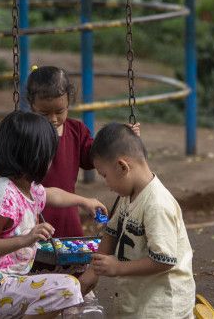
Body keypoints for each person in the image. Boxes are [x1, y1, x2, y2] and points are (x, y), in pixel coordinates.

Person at [0, 111, 108, 319]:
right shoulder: (5, 194)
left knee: (69, 279)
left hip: (9, 283)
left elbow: (52, 195)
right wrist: (26, 239)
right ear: (35, 156)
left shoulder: (28, 188)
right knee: (67, 287)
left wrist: (84, 201)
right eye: (50, 155)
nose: (51, 161)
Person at [79, 123, 195, 318]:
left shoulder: (156, 204)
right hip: (138, 300)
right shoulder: (129, 194)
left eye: (105, 176)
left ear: (122, 167)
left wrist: (118, 267)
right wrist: (93, 271)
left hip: (162, 308)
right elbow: (112, 231)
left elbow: (164, 260)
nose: (107, 185)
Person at [26, 65, 139, 237]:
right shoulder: (25, 133)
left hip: (67, 212)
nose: (53, 119)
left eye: (59, 111)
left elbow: (94, 157)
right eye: (44, 114)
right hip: (34, 213)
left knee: (72, 257)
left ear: (68, 103)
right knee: (35, 258)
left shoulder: (76, 130)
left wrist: (121, 138)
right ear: (32, 106)